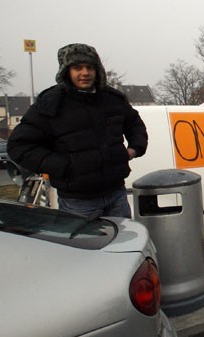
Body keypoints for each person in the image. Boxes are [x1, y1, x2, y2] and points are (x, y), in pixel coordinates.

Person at [8, 43, 148, 219]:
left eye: (90, 67)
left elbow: (135, 124)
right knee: (84, 247)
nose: (85, 73)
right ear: (66, 71)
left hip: (116, 195)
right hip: (78, 203)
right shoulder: (51, 104)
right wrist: (64, 166)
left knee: (123, 245)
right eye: (77, 68)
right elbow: (19, 146)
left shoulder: (112, 99)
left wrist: (134, 149)